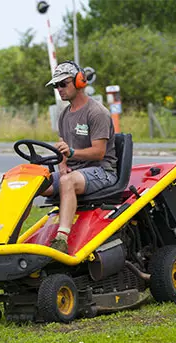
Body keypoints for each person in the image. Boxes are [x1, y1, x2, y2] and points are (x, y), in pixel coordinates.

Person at [42, 61, 117, 253]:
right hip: (76, 172)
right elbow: (62, 146)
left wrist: (72, 153)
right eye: (56, 85)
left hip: (102, 171)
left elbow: (99, 152)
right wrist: (62, 165)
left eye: (63, 84)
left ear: (79, 81)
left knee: (67, 182)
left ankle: (61, 239)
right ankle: (7, 238)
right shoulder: (64, 114)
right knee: (34, 181)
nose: (59, 89)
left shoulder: (97, 112)